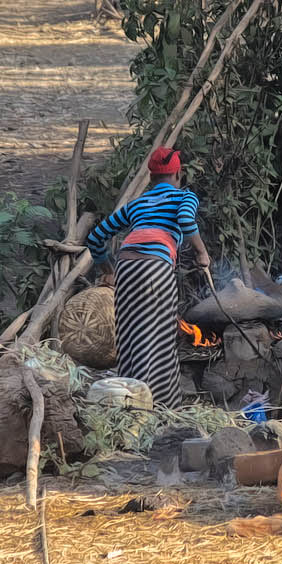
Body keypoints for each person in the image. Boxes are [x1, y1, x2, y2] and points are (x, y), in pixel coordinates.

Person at [84, 147, 210, 406]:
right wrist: (202, 253)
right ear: (178, 174)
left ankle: (124, 401)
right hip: (156, 266)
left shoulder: (137, 204)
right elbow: (186, 220)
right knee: (158, 335)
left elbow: (95, 237)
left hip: (126, 266)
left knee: (130, 335)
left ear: (151, 178)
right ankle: (156, 407)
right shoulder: (184, 197)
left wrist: (108, 269)